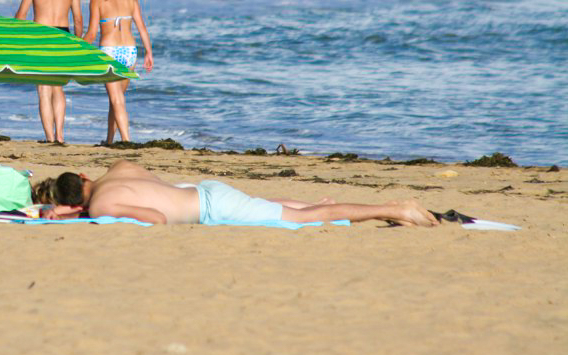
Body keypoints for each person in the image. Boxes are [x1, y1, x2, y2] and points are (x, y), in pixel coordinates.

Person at [33, 160, 440, 227]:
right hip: (203, 190)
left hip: (212, 207)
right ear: (84, 175)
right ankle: (333, 207)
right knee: (274, 207)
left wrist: (76, 216)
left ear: (73, 201)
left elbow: (155, 220)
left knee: (302, 220)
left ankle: (395, 208)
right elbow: (155, 191)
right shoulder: (116, 171)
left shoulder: (98, 204)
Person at [15, 0, 83, 144]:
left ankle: (50, 137)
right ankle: (61, 136)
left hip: (41, 35)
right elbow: (78, 19)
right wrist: (77, 44)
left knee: (44, 89)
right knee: (58, 87)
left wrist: (17, 40)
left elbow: (21, 15)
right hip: (63, 35)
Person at [83, 0, 153, 144]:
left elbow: (91, 33)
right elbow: (142, 27)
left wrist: (77, 49)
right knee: (116, 99)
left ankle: (126, 141)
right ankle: (109, 140)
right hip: (130, 52)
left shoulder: (97, 0)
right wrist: (148, 52)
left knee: (117, 100)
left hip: (110, 53)